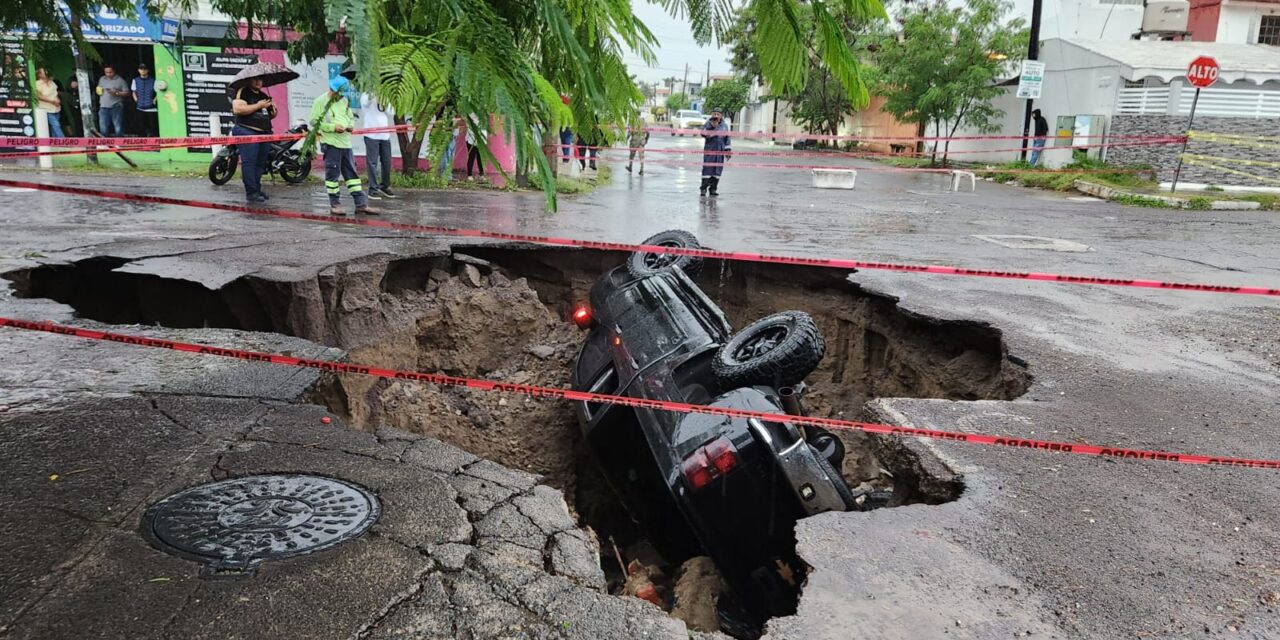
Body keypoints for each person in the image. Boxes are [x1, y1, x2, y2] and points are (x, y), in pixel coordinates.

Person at [312, 76, 377, 215]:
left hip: (345, 143)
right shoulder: (320, 101)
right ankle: (335, 204)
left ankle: (361, 204)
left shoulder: (344, 101)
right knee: (332, 175)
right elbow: (314, 122)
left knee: (352, 174)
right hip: (331, 143)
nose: (341, 97)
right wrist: (332, 127)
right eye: (340, 94)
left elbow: (351, 118)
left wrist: (350, 126)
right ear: (333, 90)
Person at [230, 76, 277, 203]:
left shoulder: (263, 94)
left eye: (260, 80)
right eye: (255, 79)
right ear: (249, 80)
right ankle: (251, 192)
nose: (258, 82)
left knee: (260, 163)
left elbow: (269, 115)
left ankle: (257, 189)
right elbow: (238, 109)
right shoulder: (242, 91)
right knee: (249, 162)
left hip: (264, 133)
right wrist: (258, 105)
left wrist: (273, 108)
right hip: (247, 131)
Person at [359, 92, 396, 199]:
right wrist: (374, 95)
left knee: (387, 161)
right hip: (371, 134)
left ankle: (385, 186)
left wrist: (385, 99)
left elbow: (392, 111)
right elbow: (365, 103)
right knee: (372, 163)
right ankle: (373, 189)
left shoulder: (385, 95)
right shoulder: (366, 95)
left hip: (384, 135)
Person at [700, 107, 730, 196]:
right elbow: (702, 133)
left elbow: (727, 139)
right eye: (714, 114)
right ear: (712, 115)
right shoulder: (708, 124)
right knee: (707, 170)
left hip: (720, 152)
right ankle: (703, 189)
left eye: (718, 114)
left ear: (721, 116)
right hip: (710, 152)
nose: (716, 116)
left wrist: (728, 151)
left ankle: (713, 189)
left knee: (717, 171)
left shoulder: (724, 126)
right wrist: (711, 127)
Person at [96, 65, 129, 136]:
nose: (108, 74)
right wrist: (98, 91)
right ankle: (105, 144)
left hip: (116, 105)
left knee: (118, 127)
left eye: (110, 72)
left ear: (114, 71)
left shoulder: (120, 80)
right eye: (106, 72)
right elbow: (99, 88)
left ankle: (120, 144)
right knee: (103, 127)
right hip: (103, 106)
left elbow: (127, 93)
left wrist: (117, 93)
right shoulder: (102, 79)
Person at [34, 68, 64, 138]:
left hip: (56, 108)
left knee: (55, 127)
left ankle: (56, 143)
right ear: (39, 75)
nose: (46, 72)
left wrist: (58, 100)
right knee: (56, 125)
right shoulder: (37, 83)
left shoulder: (52, 83)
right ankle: (64, 141)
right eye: (43, 72)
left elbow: (55, 93)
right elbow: (38, 96)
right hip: (46, 108)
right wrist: (51, 101)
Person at [131, 63, 158, 138]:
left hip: (151, 108)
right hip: (140, 108)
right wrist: (136, 100)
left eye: (144, 69)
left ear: (147, 70)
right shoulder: (135, 80)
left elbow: (158, 92)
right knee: (141, 128)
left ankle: (154, 145)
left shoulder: (153, 80)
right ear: (138, 70)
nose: (143, 71)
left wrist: (154, 100)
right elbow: (133, 91)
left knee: (153, 128)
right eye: (141, 69)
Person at [437, 115, 461, 181]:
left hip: (453, 137)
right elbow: (446, 127)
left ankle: (448, 175)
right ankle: (444, 176)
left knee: (450, 157)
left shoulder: (456, 116)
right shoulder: (448, 114)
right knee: (446, 156)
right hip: (448, 136)